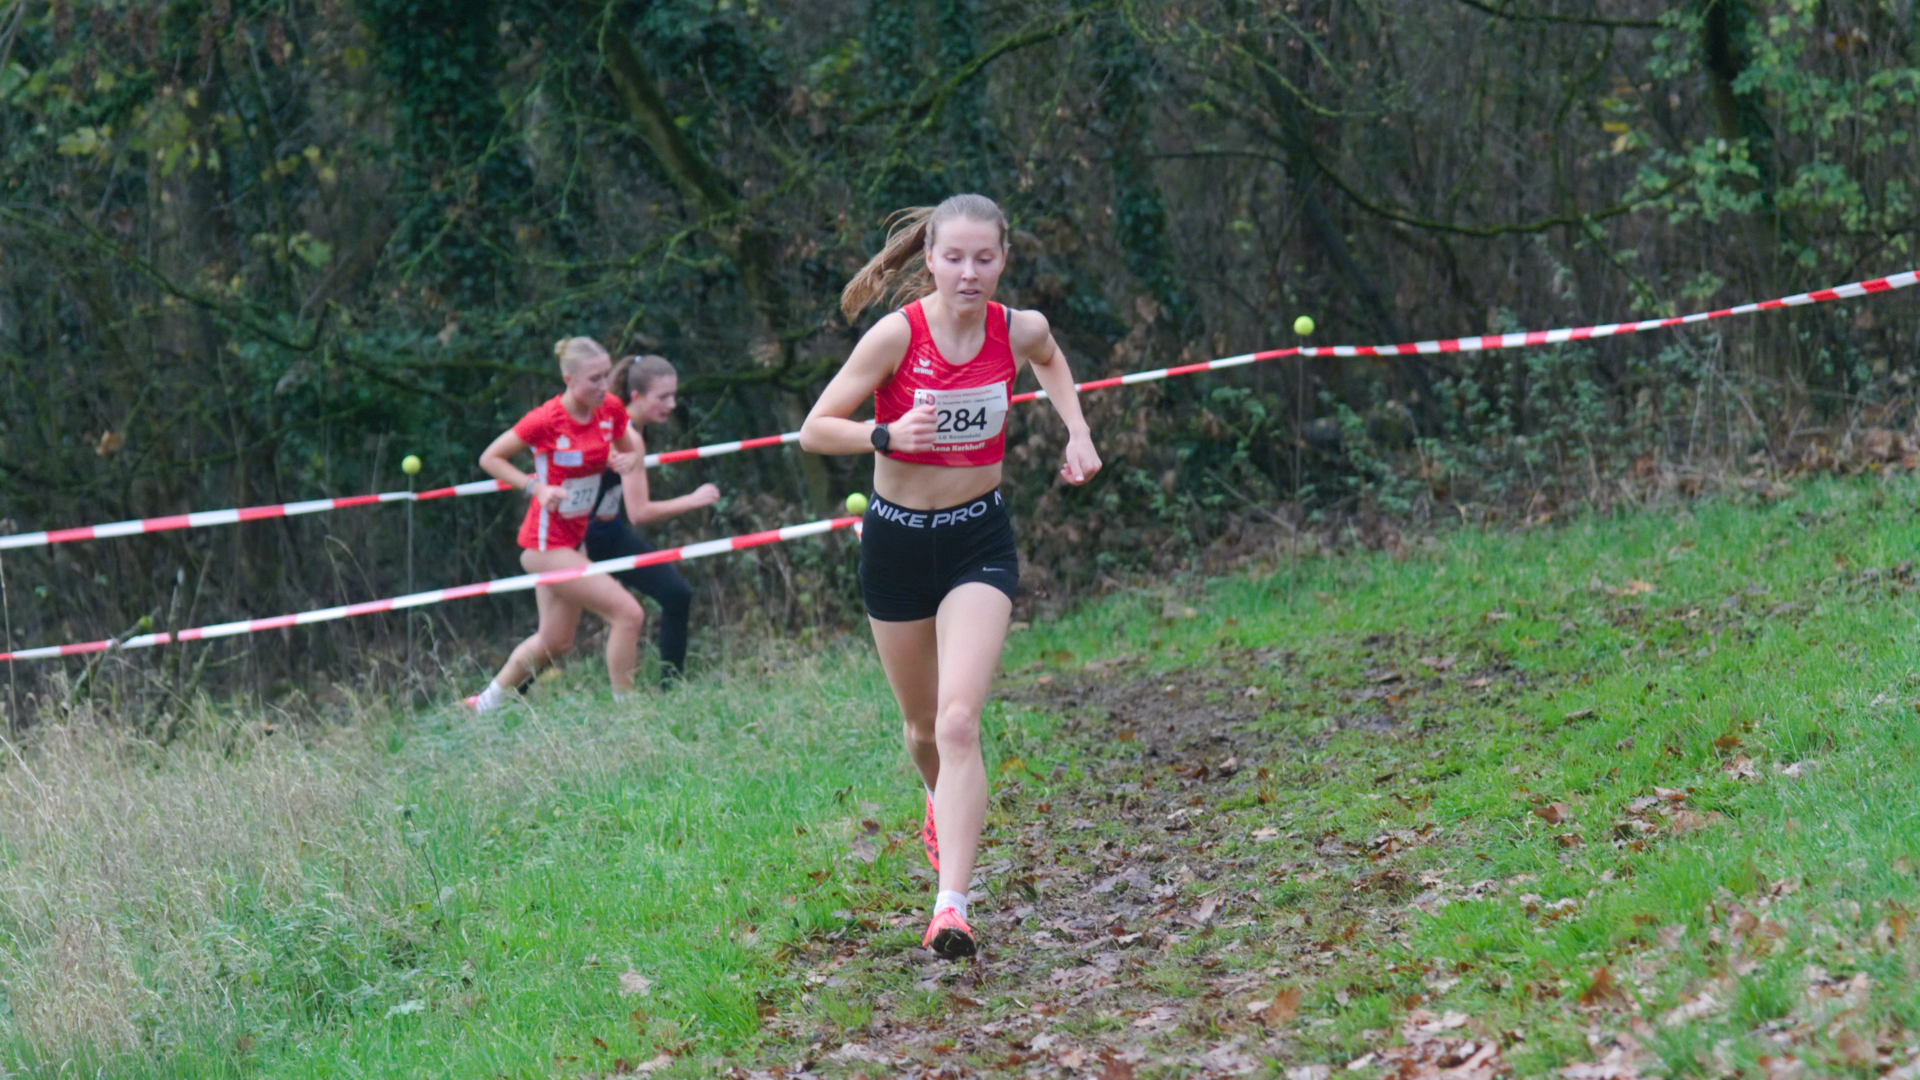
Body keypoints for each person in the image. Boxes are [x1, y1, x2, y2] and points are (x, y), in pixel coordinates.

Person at [799, 193, 1101, 959]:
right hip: (896, 545)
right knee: (922, 728)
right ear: (930, 259)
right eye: (955, 257)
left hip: (977, 541)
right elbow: (814, 431)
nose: (970, 272)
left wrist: (1077, 429)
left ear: (1003, 261)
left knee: (959, 720)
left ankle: (951, 907)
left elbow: (1050, 358)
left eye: (985, 258)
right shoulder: (896, 336)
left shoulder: (1017, 329)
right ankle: (938, 797)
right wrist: (886, 434)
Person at [465, 337, 646, 713]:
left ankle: (483, 707)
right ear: (568, 379)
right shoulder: (546, 419)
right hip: (544, 545)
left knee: (555, 641)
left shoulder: (610, 409)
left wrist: (625, 460)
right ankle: (628, 713)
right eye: (593, 379)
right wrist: (536, 487)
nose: (603, 386)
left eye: (606, 376)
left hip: (575, 540)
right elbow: (490, 458)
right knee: (628, 614)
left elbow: (631, 448)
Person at [583, 355, 720, 688]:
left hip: (608, 533)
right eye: (663, 397)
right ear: (636, 397)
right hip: (578, 540)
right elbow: (640, 512)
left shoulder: (631, 430)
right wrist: (693, 500)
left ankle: (671, 689)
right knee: (557, 635)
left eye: (674, 396)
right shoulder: (627, 435)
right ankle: (495, 698)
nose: (672, 405)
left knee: (676, 594)